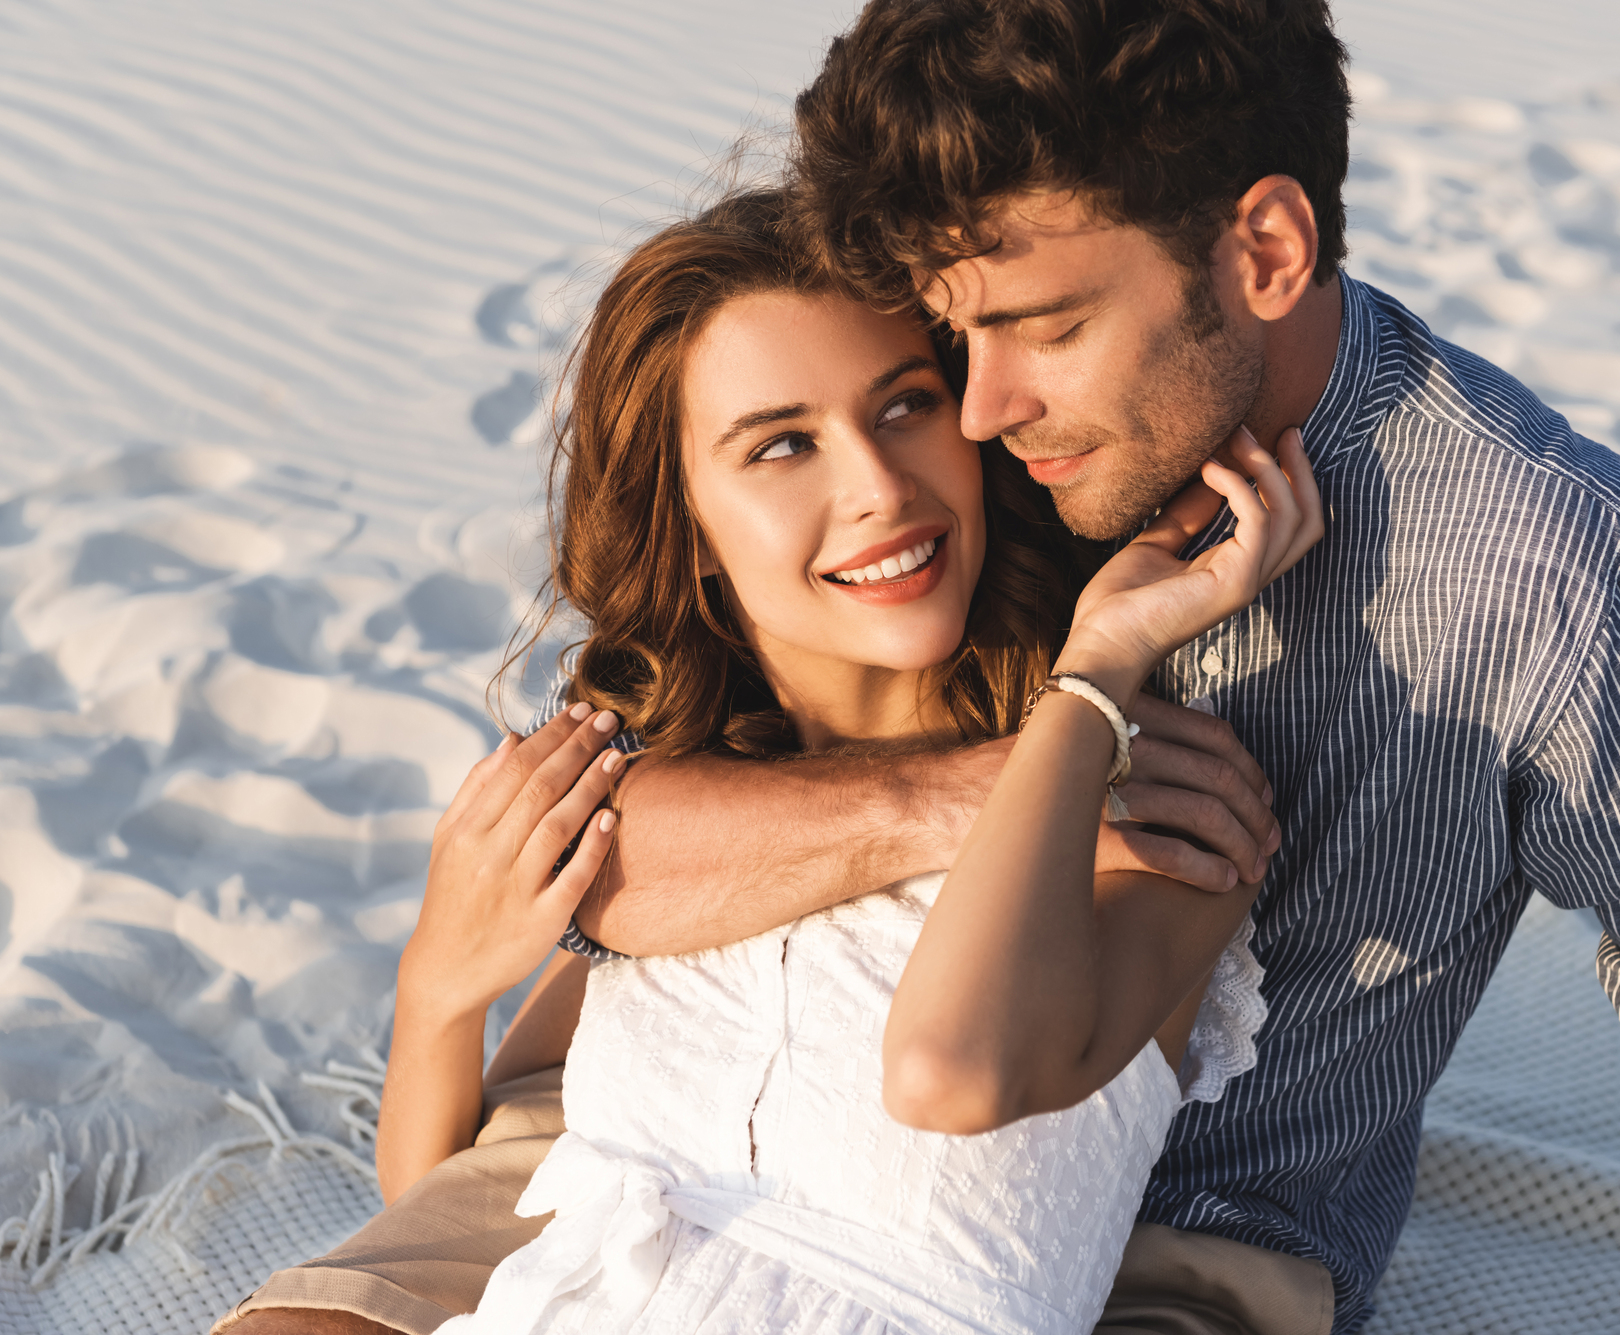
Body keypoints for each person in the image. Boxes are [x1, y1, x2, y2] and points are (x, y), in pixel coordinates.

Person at [226, 1, 1620, 1332]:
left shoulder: (1574, 587)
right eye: (954, 332)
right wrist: (981, 784)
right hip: (685, 1144)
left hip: (1182, 1219)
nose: (974, 413)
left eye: (1039, 329)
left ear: (1266, 253)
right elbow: (619, 831)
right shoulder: (967, 416)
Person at [216, 190, 1329, 1335]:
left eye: (906, 405)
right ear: (690, 526)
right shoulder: (687, 823)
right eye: (783, 444)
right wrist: (436, 991)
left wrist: (1093, 676)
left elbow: (955, 1071)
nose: (881, 487)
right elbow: (456, 1202)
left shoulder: (1149, 799)